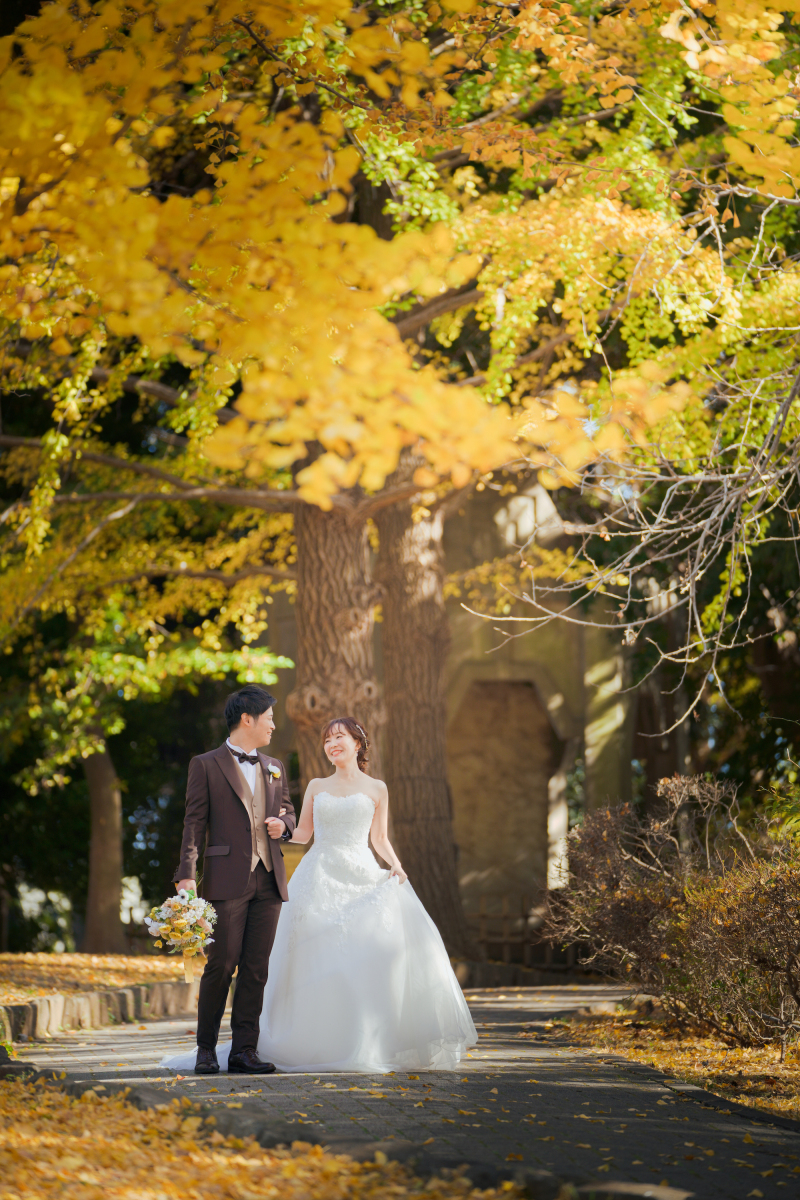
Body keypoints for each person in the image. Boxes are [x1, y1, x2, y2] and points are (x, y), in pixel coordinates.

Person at [163, 716, 476, 1075]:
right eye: (327, 740)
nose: (332, 744)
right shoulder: (315, 784)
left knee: (360, 958)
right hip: (319, 875)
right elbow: (303, 832)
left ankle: (359, 1040)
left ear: (358, 743)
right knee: (302, 957)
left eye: (339, 737)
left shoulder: (378, 788)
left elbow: (378, 839)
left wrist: (396, 865)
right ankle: (288, 1041)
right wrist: (279, 829)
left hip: (359, 875)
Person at [170, 684, 296, 1075]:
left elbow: (289, 810)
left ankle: (244, 1051)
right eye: (269, 717)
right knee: (221, 965)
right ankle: (205, 1050)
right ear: (248, 718)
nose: (274, 724)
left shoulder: (275, 765)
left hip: (269, 879)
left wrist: (284, 824)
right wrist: (186, 876)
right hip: (226, 880)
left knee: (257, 969)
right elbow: (193, 824)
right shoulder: (205, 764)